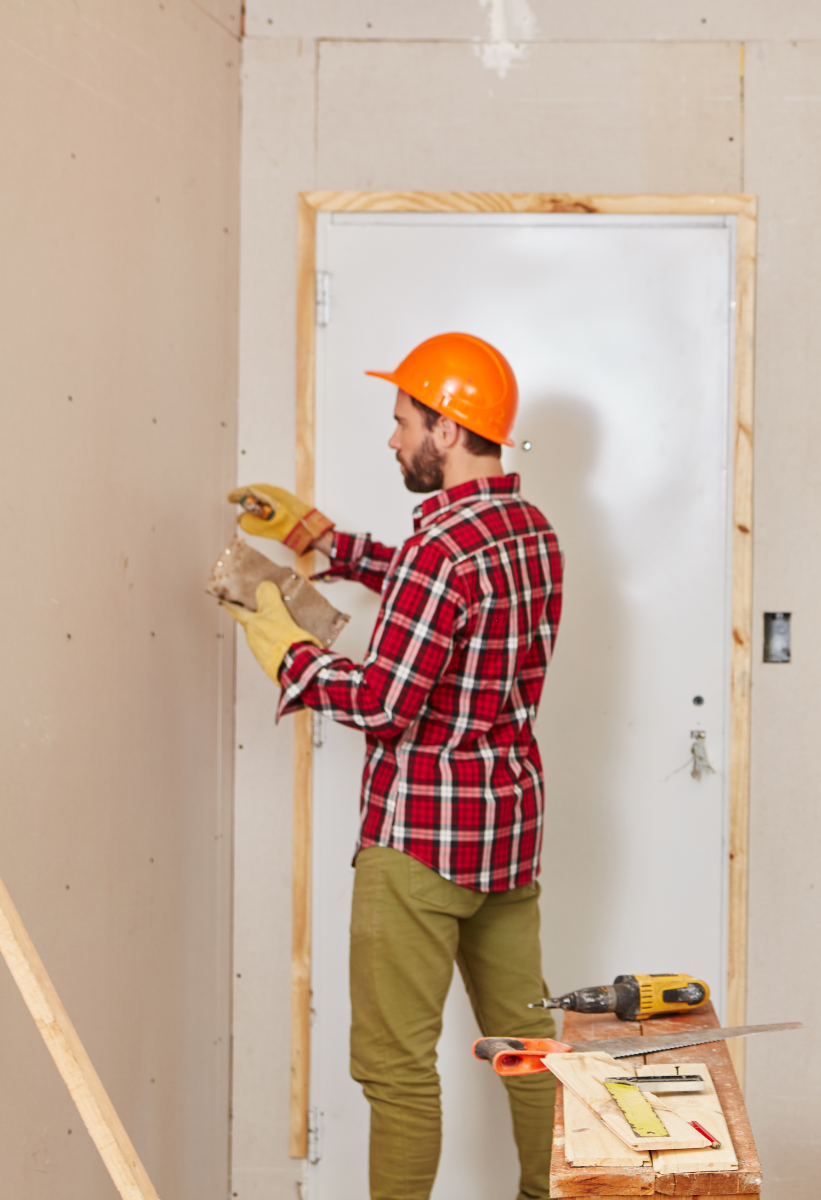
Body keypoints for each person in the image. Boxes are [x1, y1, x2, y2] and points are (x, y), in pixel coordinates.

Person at [223, 332, 563, 1200]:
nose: (391, 437)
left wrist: (286, 650)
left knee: (397, 1072)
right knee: (530, 1048)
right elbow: (434, 589)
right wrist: (323, 541)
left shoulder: (440, 550)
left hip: (416, 845)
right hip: (505, 836)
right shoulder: (531, 532)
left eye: (402, 420)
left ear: (447, 432)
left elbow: (383, 699)